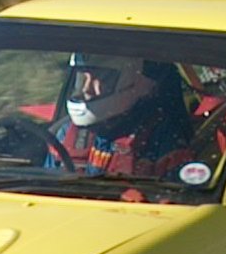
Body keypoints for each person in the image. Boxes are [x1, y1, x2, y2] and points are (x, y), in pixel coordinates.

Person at [51, 53, 193, 176]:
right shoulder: (67, 133)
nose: (86, 90)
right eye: (82, 79)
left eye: (101, 79)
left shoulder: (163, 138)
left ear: (136, 82)